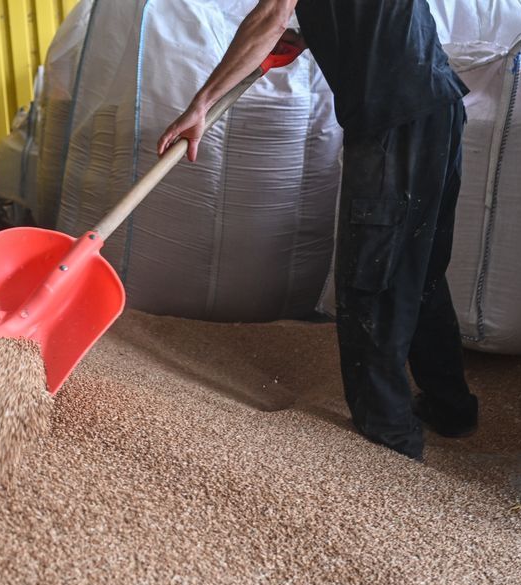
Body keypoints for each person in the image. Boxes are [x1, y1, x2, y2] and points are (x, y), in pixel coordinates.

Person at [158, 0, 479, 461]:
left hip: (392, 121)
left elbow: (269, 17)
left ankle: (389, 442)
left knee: (372, 280)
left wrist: (201, 105)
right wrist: (315, 30)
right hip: (437, 105)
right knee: (420, 268)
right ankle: (452, 410)